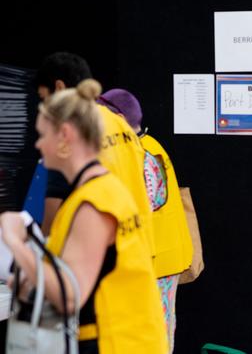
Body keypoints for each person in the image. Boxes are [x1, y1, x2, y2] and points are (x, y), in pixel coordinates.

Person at [0, 79, 168, 353]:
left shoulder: (95, 204)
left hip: (114, 342)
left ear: (65, 137)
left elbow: (68, 295)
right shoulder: (99, 193)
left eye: (43, 135)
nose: (39, 146)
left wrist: (15, 243)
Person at [97, 89, 193, 351]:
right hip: (162, 258)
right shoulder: (150, 144)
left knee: (151, 338)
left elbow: (134, 211)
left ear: (117, 118)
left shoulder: (138, 155)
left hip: (154, 263)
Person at [35, 52, 155, 256]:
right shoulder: (121, 124)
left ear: (60, 88)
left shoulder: (70, 130)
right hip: (139, 248)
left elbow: (53, 216)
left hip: (97, 259)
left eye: (44, 99)